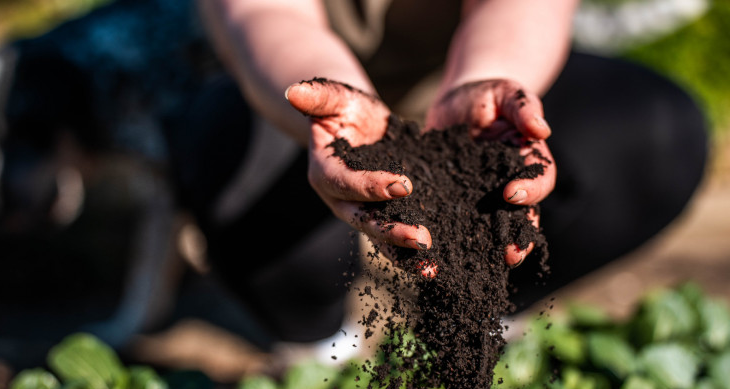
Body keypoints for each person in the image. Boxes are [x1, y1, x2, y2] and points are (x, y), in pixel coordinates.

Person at [171, 0, 706, 345]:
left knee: (661, 131)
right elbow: (267, 16)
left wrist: (493, 81)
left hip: (460, 82)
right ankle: (314, 347)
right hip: (294, 88)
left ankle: (478, 313)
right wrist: (333, 101)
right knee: (225, 159)